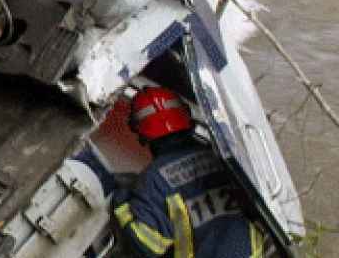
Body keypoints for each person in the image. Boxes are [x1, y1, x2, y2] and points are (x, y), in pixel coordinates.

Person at [83, 86, 268, 258]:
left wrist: (122, 203)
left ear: (141, 133)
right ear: (186, 116)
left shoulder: (154, 181)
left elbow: (150, 246)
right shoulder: (220, 157)